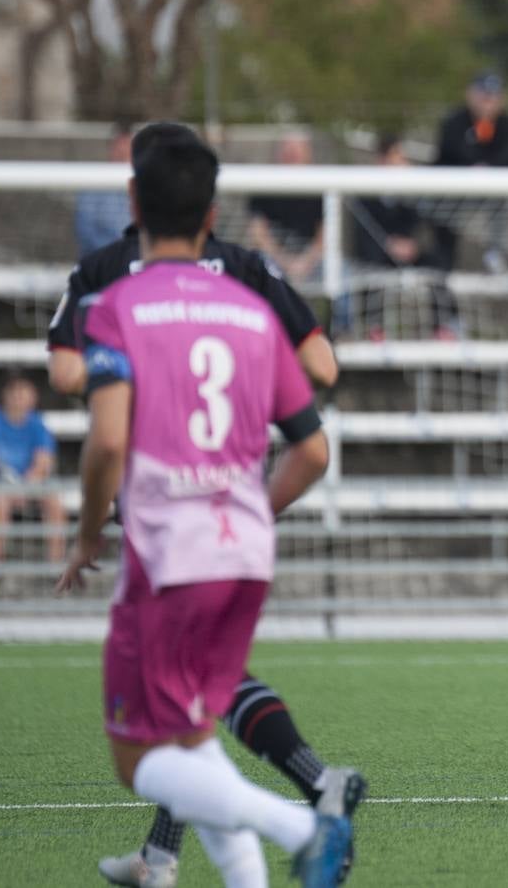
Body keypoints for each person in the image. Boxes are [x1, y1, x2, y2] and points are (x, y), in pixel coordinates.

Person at [45, 122, 358, 888]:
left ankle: (304, 824)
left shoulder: (116, 301)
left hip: (167, 550)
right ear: (213, 212)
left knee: (141, 757)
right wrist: (250, 504)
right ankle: (181, 864)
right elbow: (313, 449)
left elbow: (108, 441)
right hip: (244, 546)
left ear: (132, 200)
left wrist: (87, 534)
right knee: (193, 737)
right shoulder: (251, 308)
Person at [347, 134, 459, 340]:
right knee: (369, 264)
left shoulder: (414, 192)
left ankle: (444, 325)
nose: (401, 162)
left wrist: (414, 245)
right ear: (382, 160)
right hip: (381, 254)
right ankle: (374, 326)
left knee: (437, 261)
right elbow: (362, 235)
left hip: (410, 252)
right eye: (395, 157)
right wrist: (388, 245)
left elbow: (428, 226)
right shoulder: (365, 195)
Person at [0, 373, 66, 564]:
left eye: (24, 392)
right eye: (14, 392)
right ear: (4, 395)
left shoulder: (38, 425)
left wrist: (24, 488)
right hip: (2, 483)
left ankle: (56, 565)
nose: (18, 397)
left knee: (54, 502)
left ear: (33, 397)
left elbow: (43, 463)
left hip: (30, 483)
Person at [433, 71, 508, 274]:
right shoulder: (453, 121)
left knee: (499, 204)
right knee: (438, 214)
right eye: (483, 94)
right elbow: (450, 152)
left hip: (490, 193)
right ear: (471, 95)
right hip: (452, 193)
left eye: (493, 96)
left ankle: (494, 254)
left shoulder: (507, 124)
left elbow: (507, 156)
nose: (488, 101)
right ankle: (444, 263)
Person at [245, 131, 325, 282]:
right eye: (288, 147)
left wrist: (305, 262)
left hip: (311, 261)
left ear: (308, 152)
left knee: (342, 271)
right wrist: (285, 261)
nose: (291, 152)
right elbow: (258, 232)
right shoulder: (263, 184)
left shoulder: (322, 188)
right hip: (273, 257)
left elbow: (324, 236)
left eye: (297, 148)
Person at [74, 122, 134, 257]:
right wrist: (118, 252)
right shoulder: (93, 186)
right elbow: (86, 231)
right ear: (111, 148)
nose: (123, 152)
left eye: (128, 146)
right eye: (119, 146)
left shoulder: (144, 187)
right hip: (102, 260)